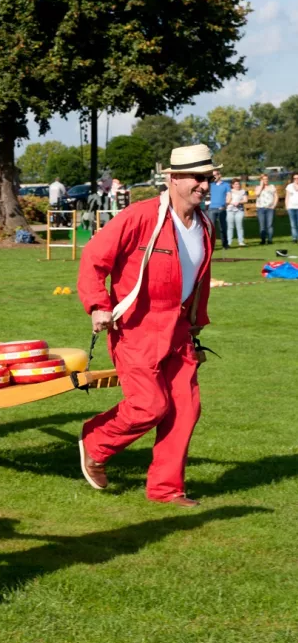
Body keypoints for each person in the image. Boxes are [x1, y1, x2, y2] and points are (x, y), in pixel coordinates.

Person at [77, 144, 215, 508]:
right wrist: (97, 304)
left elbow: (199, 279)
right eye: (196, 177)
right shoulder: (140, 216)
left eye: (207, 177)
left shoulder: (205, 225)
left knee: (185, 408)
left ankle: (166, 489)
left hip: (179, 332)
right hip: (137, 329)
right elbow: (94, 258)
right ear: (172, 179)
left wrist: (196, 325)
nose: (203, 185)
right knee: (149, 405)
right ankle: (95, 441)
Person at [207, 168, 230, 250]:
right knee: (211, 228)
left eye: (215, 175)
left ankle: (225, 244)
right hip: (211, 209)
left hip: (221, 209)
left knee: (223, 227)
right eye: (212, 175)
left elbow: (229, 196)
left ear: (219, 175)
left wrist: (225, 205)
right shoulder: (210, 185)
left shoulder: (226, 185)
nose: (214, 177)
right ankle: (210, 245)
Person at [255, 173, 278, 245]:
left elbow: (276, 196)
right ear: (261, 180)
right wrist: (261, 185)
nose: (266, 180)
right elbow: (257, 194)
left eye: (267, 179)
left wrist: (274, 205)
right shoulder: (258, 187)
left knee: (269, 225)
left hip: (270, 208)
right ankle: (263, 240)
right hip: (261, 208)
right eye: (264, 179)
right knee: (262, 225)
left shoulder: (272, 186)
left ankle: (270, 239)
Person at [226, 178, 247, 247]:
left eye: (238, 184)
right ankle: (229, 242)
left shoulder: (243, 191)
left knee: (239, 226)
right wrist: (232, 203)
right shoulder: (229, 191)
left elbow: (245, 200)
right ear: (232, 185)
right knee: (230, 227)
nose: (237, 185)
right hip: (230, 210)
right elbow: (227, 200)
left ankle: (241, 241)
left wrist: (239, 202)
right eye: (235, 184)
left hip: (239, 210)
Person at [285, 173, 298, 243]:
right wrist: (287, 206)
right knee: (293, 224)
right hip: (291, 207)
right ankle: (294, 238)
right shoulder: (289, 186)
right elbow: (287, 197)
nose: (296, 180)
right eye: (295, 178)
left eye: (297, 178)